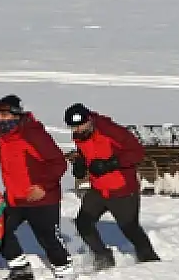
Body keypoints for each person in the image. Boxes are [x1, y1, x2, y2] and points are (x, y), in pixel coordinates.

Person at [64, 103, 159, 270]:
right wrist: (79, 162)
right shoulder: (80, 136)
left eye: (80, 125)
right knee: (83, 223)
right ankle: (103, 257)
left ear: (89, 120)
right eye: (74, 127)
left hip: (122, 189)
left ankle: (149, 260)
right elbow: (86, 152)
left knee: (130, 229)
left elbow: (136, 152)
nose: (77, 130)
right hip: (99, 189)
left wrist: (110, 164)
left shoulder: (111, 131)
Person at [0, 94, 72, 280]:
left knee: (48, 238)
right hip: (15, 197)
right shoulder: (4, 136)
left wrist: (43, 186)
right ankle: (20, 268)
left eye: (6, 115)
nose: (1, 119)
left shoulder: (33, 134)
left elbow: (58, 162)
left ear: (16, 115)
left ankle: (65, 272)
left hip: (41, 198)